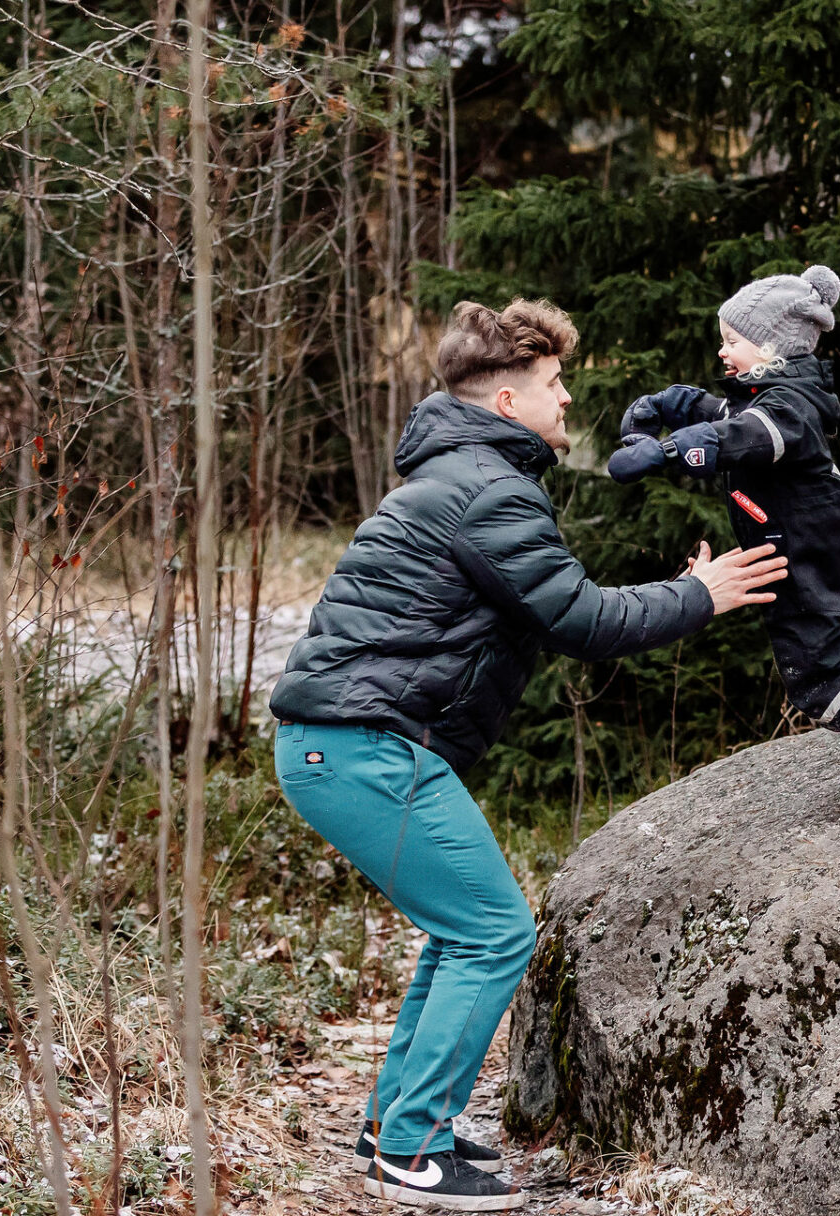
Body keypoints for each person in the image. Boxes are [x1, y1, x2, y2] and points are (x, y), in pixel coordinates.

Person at [269, 299, 787, 1211]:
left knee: (462, 926)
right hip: (362, 750)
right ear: (507, 402)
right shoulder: (486, 489)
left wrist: (680, 590)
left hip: (350, 748)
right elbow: (579, 619)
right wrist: (699, 594)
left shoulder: (462, 476)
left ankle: (395, 1121)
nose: (567, 398)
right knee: (495, 930)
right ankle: (412, 1153)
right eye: (554, 384)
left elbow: (555, 603)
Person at [606, 265, 840, 805]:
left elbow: (742, 435)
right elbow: (721, 411)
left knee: (810, 671)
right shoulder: (766, 392)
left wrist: (666, 450)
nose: (722, 351)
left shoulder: (788, 407)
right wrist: (666, 405)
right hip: (805, 545)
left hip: (815, 550)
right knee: (824, 639)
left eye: (733, 341)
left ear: (774, 347)